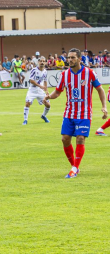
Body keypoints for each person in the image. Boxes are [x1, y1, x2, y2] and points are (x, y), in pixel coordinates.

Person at [44, 48, 107, 178]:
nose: (69, 60)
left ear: (79, 59)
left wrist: (104, 107)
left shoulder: (89, 73)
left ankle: (74, 168)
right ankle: (74, 166)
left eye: (72, 57)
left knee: (80, 138)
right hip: (69, 112)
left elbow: (100, 90)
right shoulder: (64, 75)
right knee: (65, 139)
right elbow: (57, 92)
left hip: (84, 113)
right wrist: (48, 97)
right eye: (68, 58)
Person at [23, 56, 51, 125]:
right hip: (32, 90)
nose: (42, 62)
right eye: (40, 61)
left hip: (40, 91)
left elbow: (45, 81)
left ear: (45, 62)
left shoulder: (45, 71)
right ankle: (25, 120)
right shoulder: (34, 70)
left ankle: (43, 116)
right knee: (27, 103)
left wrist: (46, 90)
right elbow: (31, 80)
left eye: (43, 61)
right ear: (38, 62)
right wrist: (40, 86)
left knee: (48, 105)